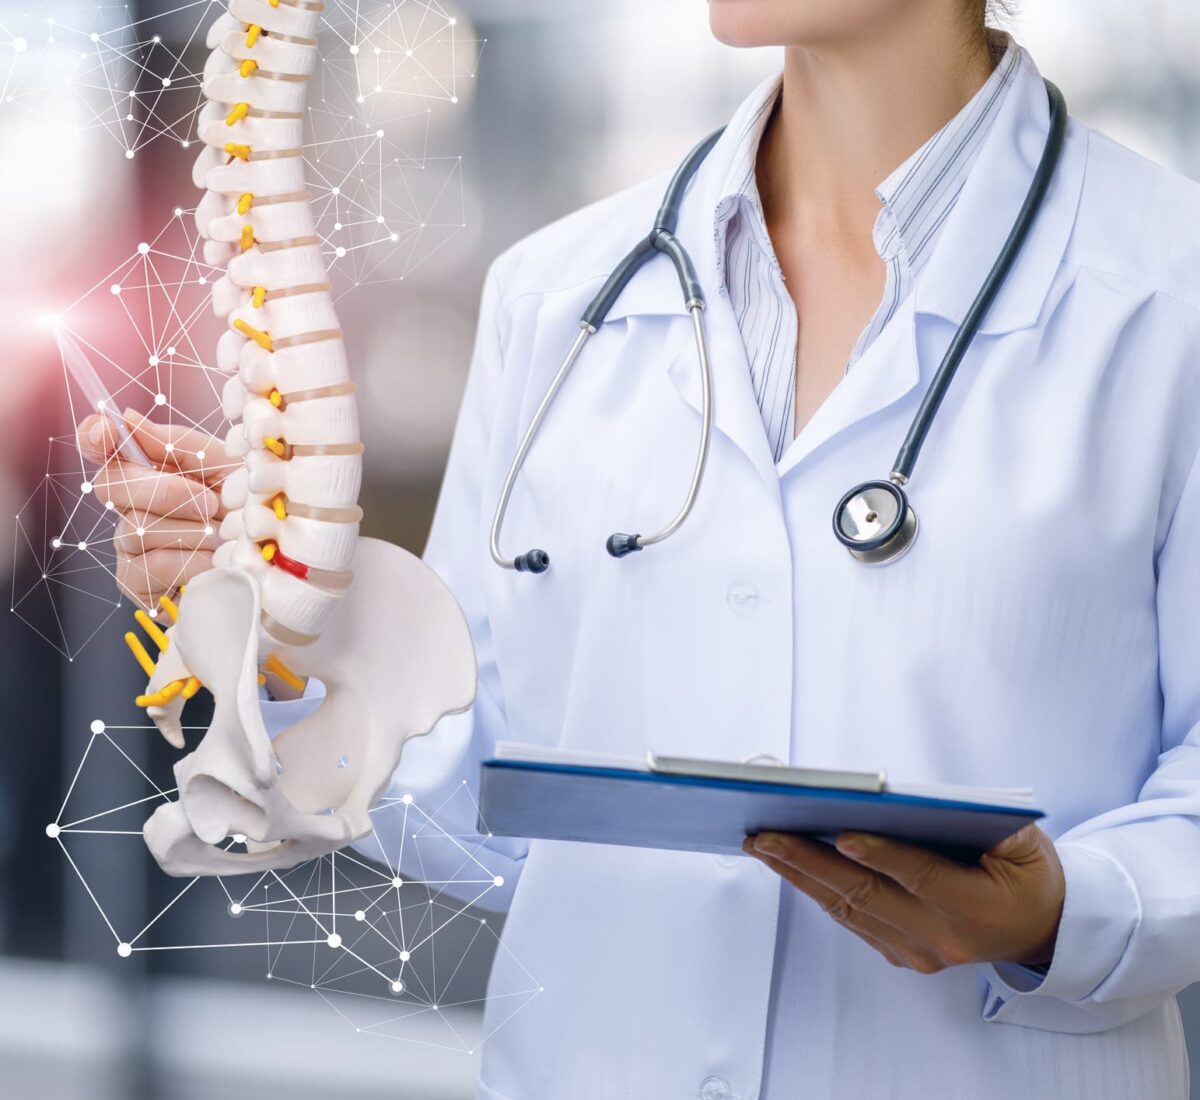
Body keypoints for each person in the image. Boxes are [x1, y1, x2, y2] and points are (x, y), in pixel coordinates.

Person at [80, 0, 1200, 1096]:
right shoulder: (557, 296)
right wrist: (289, 636)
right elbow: (498, 805)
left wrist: (1066, 912)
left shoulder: (1167, 293)